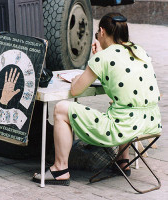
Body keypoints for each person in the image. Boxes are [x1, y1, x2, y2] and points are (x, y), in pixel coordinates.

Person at [33, 12, 162, 186]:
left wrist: (94, 60)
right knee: (122, 105)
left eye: (96, 35)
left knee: (61, 109)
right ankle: (123, 161)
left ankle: (60, 169)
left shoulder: (103, 58)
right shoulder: (140, 51)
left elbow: (76, 89)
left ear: (101, 32)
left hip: (122, 128)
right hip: (151, 125)